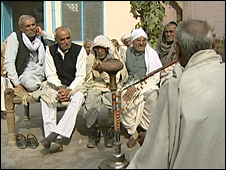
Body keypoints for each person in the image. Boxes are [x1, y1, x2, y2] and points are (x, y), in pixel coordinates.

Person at [127, 19, 225, 169]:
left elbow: (157, 156)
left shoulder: (175, 88)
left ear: (177, 49)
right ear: (212, 46)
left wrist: (151, 141)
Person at [73, 35, 128, 148]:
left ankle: (111, 131)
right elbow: (88, 78)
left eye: (101, 48)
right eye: (97, 48)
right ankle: (95, 131)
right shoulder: (92, 60)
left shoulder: (114, 60)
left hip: (111, 86)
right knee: (90, 102)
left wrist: (102, 71)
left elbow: (113, 80)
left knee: (114, 102)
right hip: (96, 86)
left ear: (107, 49)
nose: (99, 51)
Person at [39, 26, 87, 154]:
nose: (66, 42)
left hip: (74, 86)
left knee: (79, 98)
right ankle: (52, 137)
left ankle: (56, 134)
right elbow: (50, 74)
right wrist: (60, 89)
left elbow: (80, 75)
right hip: (56, 86)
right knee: (46, 99)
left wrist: (69, 90)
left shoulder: (79, 50)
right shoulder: (50, 50)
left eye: (68, 38)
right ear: (56, 40)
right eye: (62, 39)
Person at [120, 27, 162, 148]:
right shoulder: (128, 52)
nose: (141, 43)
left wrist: (138, 87)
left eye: (144, 40)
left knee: (152, 96)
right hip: (130, 83)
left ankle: (147, 130)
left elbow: (155, 76)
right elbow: (124, 71)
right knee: (124, 98)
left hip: (148, 83)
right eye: (138, 40)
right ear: (132, 41)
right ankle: (134, 132)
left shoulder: (151, 54)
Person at [4, 15, 54, 93]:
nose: (31, 28)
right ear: (21, 28)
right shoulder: (15, 37)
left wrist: (43, 33)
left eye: (33, 25)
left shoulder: (39, 38)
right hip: (25, 75)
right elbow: (9, 62)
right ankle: (42, 87)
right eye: (28, 26)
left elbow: (58, 41)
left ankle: (43, 86)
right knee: (31, 85)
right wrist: (17, 83)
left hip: (42, 73)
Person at [156, 21, 178, 86]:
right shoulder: (159, 46)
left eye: (171, 32)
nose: (168, 34)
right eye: (166, 32)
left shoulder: (180, 48)